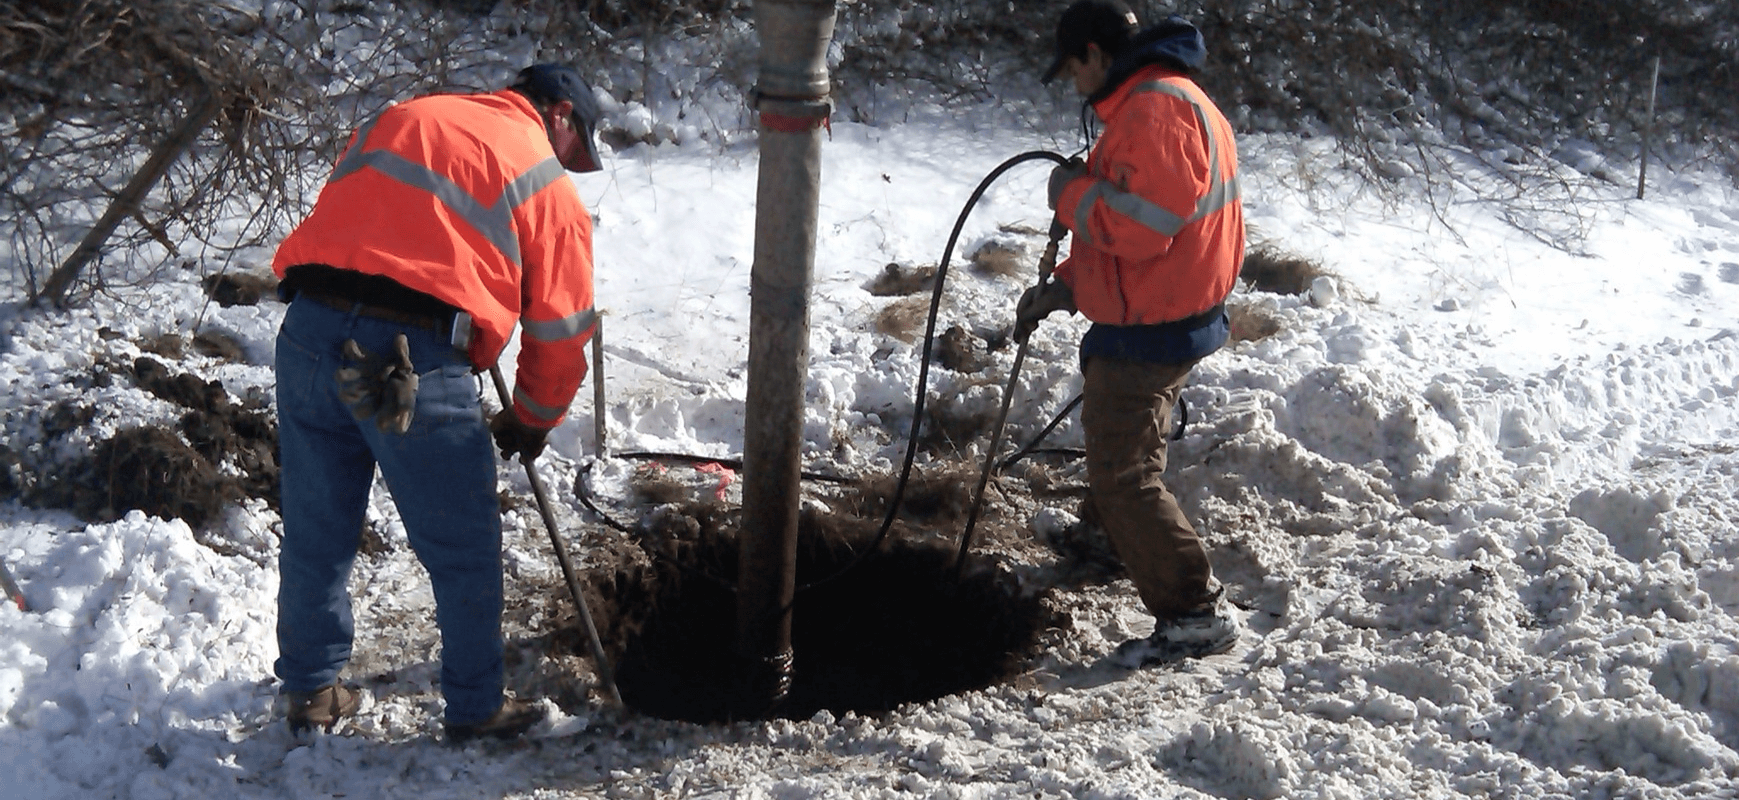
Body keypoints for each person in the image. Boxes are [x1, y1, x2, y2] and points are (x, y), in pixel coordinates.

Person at [270, 63, 603, 741]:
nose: (571, 160)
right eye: (578, 144)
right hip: (406, 360)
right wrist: (534, 418)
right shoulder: (543, 179)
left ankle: (311, 691)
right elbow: (561, 332)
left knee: (316, 526)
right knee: (461, 546)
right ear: (560, 114)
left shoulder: (403, 118)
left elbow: (361, 219)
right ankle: (477, 706)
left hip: (309, 333)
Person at [1017, 1, 1246, 666]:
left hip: (1157, 317)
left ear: (1093, 53)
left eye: (1071, 70)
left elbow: (1138, 229)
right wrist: (1066, 284)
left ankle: (1193, 612)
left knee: (1124, 468)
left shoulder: (1155, 110)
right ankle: (1109, 536)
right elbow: (1128, 214)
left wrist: (1065, 193)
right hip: (1158, 303)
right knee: (1115, 437)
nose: (1072, 84)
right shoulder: (1155, 102)